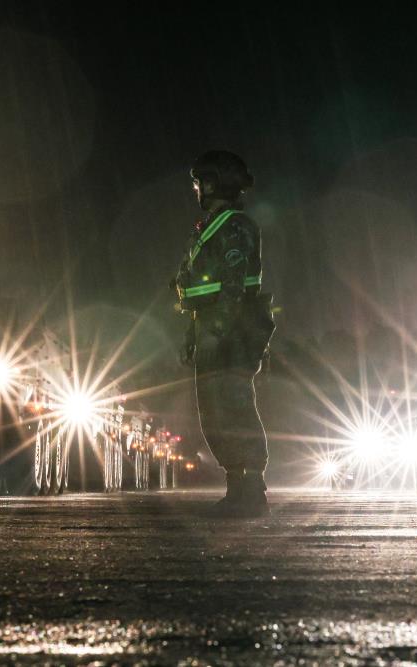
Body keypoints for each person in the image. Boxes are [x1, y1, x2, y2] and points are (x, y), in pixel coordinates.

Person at [173, 150, 275, 518]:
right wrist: (194, 331)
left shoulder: (235, 225)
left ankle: (251, 489)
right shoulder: (213, 224)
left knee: (234, 405)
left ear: (216, 182)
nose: (197, 189)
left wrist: (220, 328)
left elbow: (232, 285)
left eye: (201, 182)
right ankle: (236, 487)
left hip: (231, 328)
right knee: (213, 410)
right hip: (211, 325)